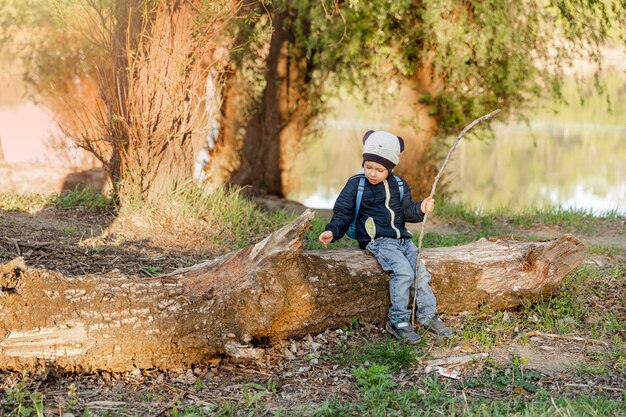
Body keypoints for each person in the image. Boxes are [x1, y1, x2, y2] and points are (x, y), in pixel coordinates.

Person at [318, 130, 452, 343]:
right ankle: (397, 319)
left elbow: (407, 211)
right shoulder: (356, 184)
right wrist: (332, 231)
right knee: (403, 272)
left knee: (420, 273)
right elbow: (343, 213)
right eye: (368, 166)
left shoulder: (399, 185)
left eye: (379, 169)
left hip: (402, 239)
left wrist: (421, 207)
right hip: (378, 240)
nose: (372, 173)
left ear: (390, 168)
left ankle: (427, 315)